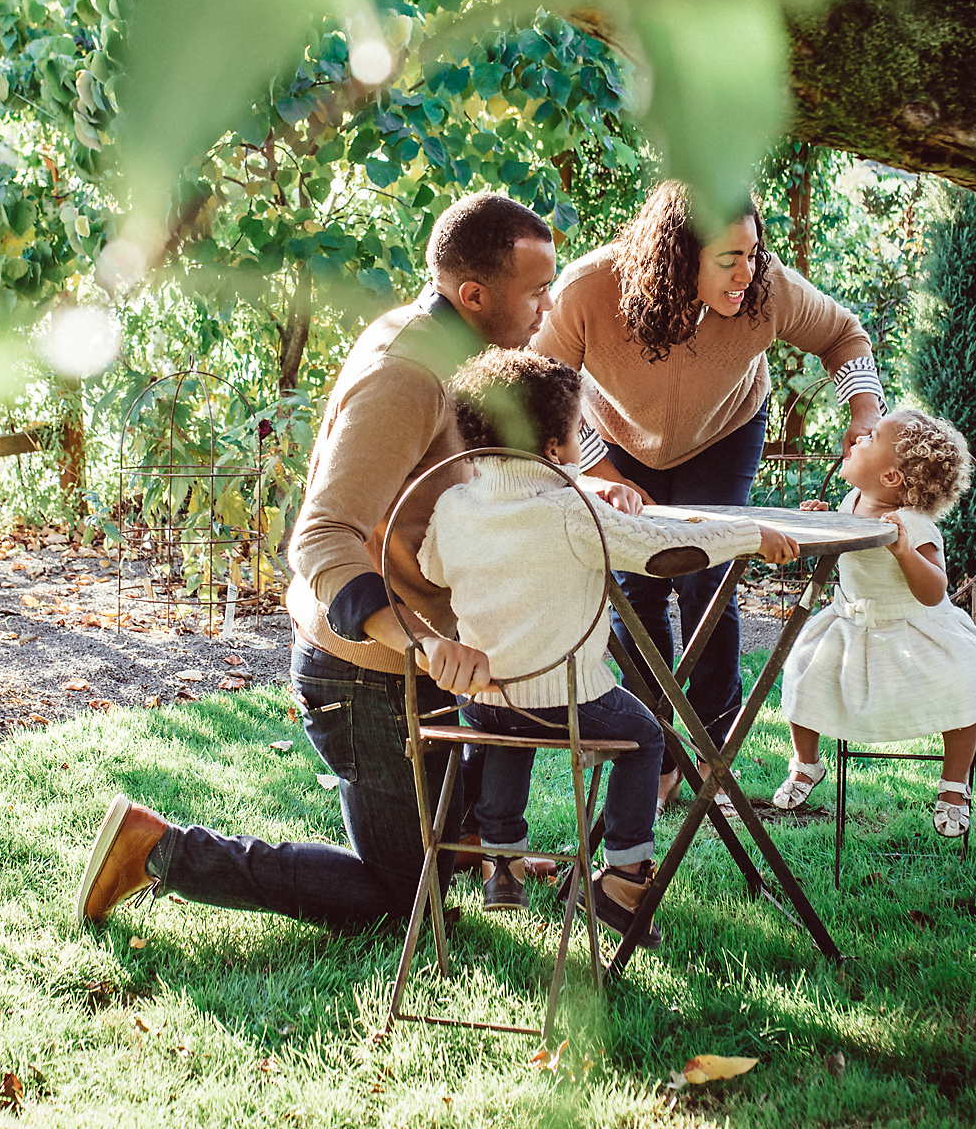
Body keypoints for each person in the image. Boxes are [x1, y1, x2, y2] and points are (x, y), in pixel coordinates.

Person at [74, 192, 641, 929]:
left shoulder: (453, 348)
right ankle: (161, 849)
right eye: (536, 291)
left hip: (428, 665)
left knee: (451, 851)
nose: (548, 306)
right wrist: (426, 642)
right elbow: (320, 536)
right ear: (472, 295)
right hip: (365, 674)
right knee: (405, 902)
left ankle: (464, 840)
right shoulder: (408, 375)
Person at [420, 348, 800, 944]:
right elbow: (661, 551)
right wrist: (750, 534)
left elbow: (432, 567)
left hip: (483, 697)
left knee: (507, 735)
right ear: (552, 447)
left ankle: (503, 867)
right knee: (647, 735)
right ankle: (624, 878)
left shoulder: (453, 505)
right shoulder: (572, 510)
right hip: (566, 700)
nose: (585, 441)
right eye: (579, 431)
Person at [532, 180, 883, 802]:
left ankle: (715, 753)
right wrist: (596, 472)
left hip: (724, 434)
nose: (748, 271)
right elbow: (537, 386)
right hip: (612, 445)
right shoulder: (589, 290)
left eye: (753, 252)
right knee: (638, 591)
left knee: (708, 578)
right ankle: (659, 754)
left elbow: (843, 334)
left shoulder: (767, 289)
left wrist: (863, 409)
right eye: (730, 258)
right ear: (677, 256)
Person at [773, 407, 976, 837]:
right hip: (849, 623)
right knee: (801, 671)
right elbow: (830, 555)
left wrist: (904, 552)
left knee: (964, 686)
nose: (857, 438)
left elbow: (933, 591)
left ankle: (953, 784)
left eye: (870, 439)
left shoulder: (913, 525)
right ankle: (806, 764)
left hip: (913, 626)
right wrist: (819, 523)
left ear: (890, 478)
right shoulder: (850, 503)